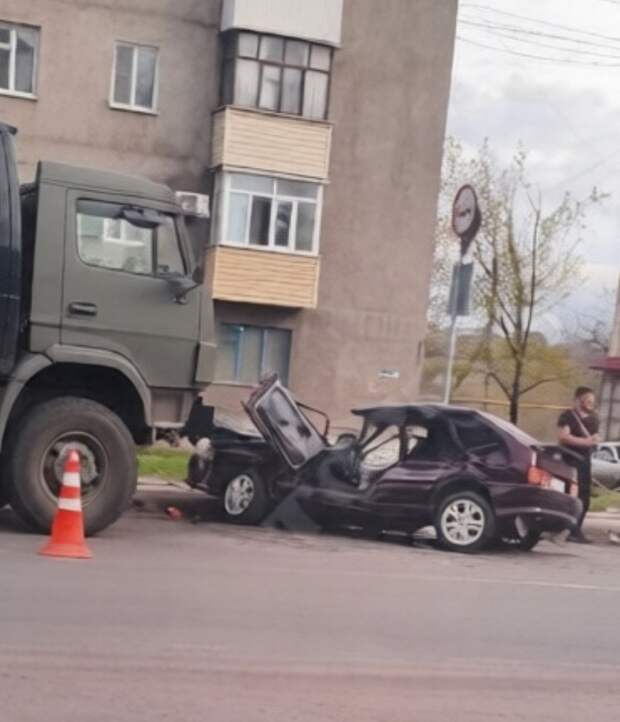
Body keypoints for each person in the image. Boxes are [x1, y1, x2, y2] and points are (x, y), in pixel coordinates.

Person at [557, 386, 600, 543]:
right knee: (569, 495)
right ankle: (563, 528)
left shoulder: (594, 418)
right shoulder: (567, 416)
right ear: (578, 400)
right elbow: (563, 436)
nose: (590, 403)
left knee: (584, 496)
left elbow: (594, 437)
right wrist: (585, 442)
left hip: (584, 461)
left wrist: (594, 441)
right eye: (587, 400)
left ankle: (575, 530)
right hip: (569, 460)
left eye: (592, 400)